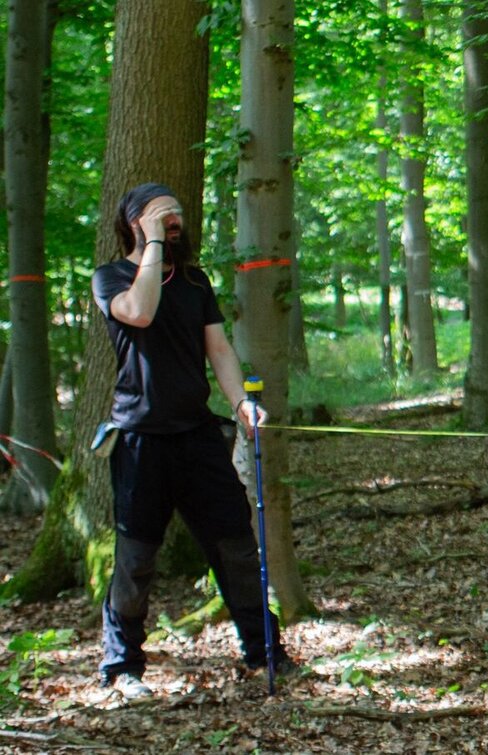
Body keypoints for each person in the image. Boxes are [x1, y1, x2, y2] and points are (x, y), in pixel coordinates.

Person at [90, 182, 292, 699]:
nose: (174, 222)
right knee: (135, 560)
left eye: (176, 215)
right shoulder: (111, 277)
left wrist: (240, 403)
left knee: (238, 549)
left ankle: (263, 652)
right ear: (134, 222)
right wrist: (153, 244)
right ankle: (122, 668)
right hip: (138, 441)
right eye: (161, 216)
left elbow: (219, 350)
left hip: (198, 438)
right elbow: (139, 311)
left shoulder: (196, 281)